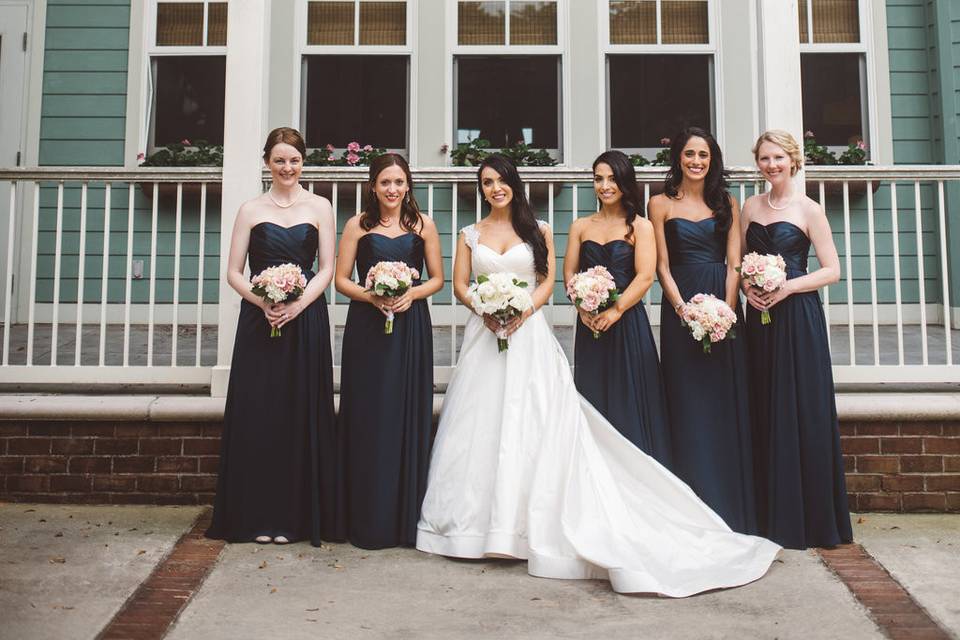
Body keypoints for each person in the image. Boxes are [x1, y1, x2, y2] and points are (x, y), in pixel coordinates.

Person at [416, 153, 780, 597]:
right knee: (479, 423)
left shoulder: (565, 228)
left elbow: (624, 275)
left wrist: (533, 310)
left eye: (502, 180)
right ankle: (473, 526)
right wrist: (489, 309)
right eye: (487, 181)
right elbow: (472, 284)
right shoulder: (481, 233)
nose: (495, 188)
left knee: (533, 418)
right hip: (489, 334)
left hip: (545, 330)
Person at [207, 127, 342, 546]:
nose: (288, 167)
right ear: (267, 161)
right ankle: (255, 517)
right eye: (280, 160)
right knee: (259, 415)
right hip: (259, 321)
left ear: (304, 162)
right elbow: (232, 271)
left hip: (305, 320)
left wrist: (299, 304)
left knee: (298, 413)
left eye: (295, 160)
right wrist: (261, 300)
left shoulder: (320, 206)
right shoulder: (250, 209)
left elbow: (326, 268)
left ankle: (296, 519)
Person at [741, 129, 853, 549]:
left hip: (798, 315)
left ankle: (811, 518)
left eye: (778, 158)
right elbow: (737, 262)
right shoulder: (750, 207)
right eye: (764, 159)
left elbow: (832, 270)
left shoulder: (810, 209)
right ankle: (771, 513)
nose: (771, 166)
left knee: (801, 406)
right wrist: (747, 289)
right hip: (761, 318)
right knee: (767, 402)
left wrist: (787, 287)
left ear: (793, 160)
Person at [648, 128, 756, 534]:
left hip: (723, 306)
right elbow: (661, 266)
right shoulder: (658, 204)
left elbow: (734, 263)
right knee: (687, 398)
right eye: (690, 154)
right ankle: (688, 501)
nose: (697, 161)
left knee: (722, 399)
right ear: (678, 158)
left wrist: (726, 311)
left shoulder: (726, 202)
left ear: (713, 161)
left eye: (704, 155)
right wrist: (682, 310)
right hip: (680, 307)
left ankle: (729, 502)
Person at [335, 154, 444, 549]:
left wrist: (408, 294)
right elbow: (340, 280)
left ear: (408, 185)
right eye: (385, 183)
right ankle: (365, 516)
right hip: (368, 328)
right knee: (369, 413)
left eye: (398, 182)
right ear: (373, 187)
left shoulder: (423, 225)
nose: (392, 190)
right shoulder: (356, 226)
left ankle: (403, 519)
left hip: (411, 327)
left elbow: (438, 280)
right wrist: (372, 295)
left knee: (404, 411)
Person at [564, 150, 671, 465]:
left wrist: (616, 310)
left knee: (629, 398)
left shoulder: (641, 226)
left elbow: (645, 276)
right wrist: (582, 306)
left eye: (612, 178)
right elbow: (570, 273)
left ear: (625, 181)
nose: (605, 185)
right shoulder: (580, 226)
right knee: (595, 395)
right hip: (591, 324)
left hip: (627, 322)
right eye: (599, 178)